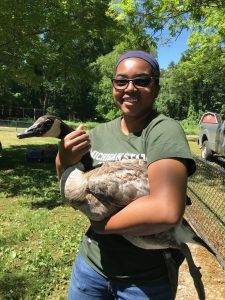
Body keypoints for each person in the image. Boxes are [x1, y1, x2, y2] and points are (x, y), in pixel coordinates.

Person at [56, 50, 196, 300]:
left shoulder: (163, 131)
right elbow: (75, 195)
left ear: (156, 87)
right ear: (113, 86)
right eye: (121, 81)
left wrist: (101, 225)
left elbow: (165, 210)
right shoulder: (97, 134)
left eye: (141, 81)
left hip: (144, 281)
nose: (129, 88)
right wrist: (63, 161)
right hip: (91, 267)